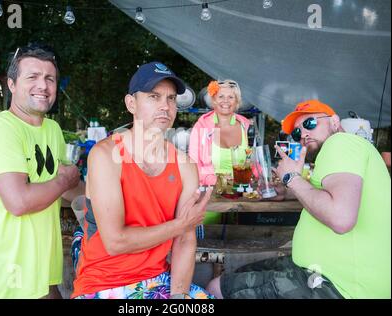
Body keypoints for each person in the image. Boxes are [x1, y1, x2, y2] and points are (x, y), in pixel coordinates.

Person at [206, 100, 391, 299]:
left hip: (339, 287)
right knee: (236, 274)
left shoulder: (341, 142)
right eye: (297, 132)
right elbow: (329, 192)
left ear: (335, 121)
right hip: (331, 274)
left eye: (310, 123)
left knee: (216, 288)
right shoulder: (349, 150)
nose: (303, 133)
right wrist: (289, 192)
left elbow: (341, 218)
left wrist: (291, 179)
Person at [71, 61, 214, 299]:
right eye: (153, 97)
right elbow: (116, 242)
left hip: (157, 281)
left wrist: (178, 297)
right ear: (131, 104)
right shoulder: (105, 155)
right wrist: (180, 225)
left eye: (170, 99)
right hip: (103, 282)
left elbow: (185, 241)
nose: (165, 106)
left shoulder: (185, 165)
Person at [0, 44, 83, 299]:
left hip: (41, 279)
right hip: (1, 285)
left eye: (49, 78)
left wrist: (116, 190)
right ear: (12, 84)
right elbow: (19, 202)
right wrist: (63, 181)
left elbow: (70, 189)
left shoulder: (52, 130)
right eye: (33, 77)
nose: (43, 85)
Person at [188, 79, 251, 187]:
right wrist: (217, 181)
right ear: (214, 100)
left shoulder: (246, 126)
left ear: (237, 102)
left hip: (243, 191)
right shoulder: (201, 127)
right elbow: (194, 166)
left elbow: (253, 163)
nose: (225, 101)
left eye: (231, 97)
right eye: (221, 96)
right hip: (210, 192)